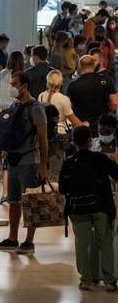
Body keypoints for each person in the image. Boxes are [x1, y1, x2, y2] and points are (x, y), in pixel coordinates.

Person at [0, 72, 49, 255]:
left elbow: (43, 138)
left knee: (30, 201)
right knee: (14, 201)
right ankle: (12, 237)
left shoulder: (36, 108)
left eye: (15, 83)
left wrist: (43, 164)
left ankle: (29, 241)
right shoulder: (14, 106)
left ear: (25, 85)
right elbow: (5, 133)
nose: (12, 87)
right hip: (12, 160)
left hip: (29, 161)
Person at [59, 124, 118, 291]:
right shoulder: (100, 159)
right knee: (105, 242)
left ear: (74, 142)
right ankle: (110, 281)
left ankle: (86, 280)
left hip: (78, 209)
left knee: (82, 243)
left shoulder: (69, 163)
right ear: (90, 140)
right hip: (100, 206)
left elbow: (63, 188)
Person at [67, 55, 118, 136]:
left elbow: (69, 109)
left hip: (83, 127)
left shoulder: (72, 85)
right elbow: (115, 103)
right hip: (103, 126)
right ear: (94, 65)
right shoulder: (105, 80)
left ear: (80, 66)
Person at [39, 70, 83, 136]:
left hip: (45, 133)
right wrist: (84, 125)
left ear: (47, 82)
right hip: (60, 134)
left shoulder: (41, 96)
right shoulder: (64, 99)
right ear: (61, 82)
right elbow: (75, 122)